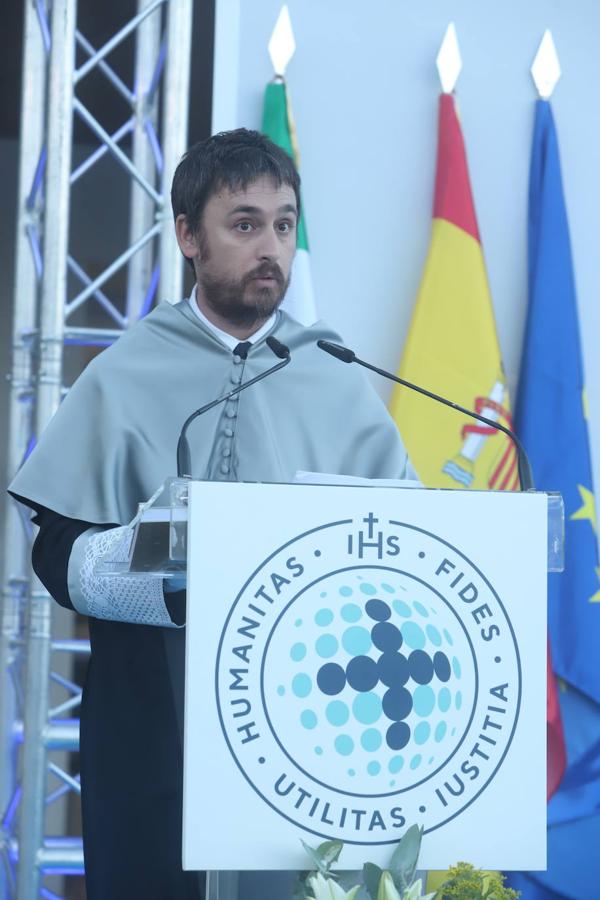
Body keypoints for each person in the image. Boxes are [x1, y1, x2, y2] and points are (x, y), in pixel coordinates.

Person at [9, 129, 417, 900]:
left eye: (285, 224)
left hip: (313, 727)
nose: (271, 246)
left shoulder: (333, 376)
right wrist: (164, 565)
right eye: (245, 223)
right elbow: (56, 551)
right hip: (155, 720)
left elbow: (402, 547)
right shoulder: (127, 370)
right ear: (190, 236)